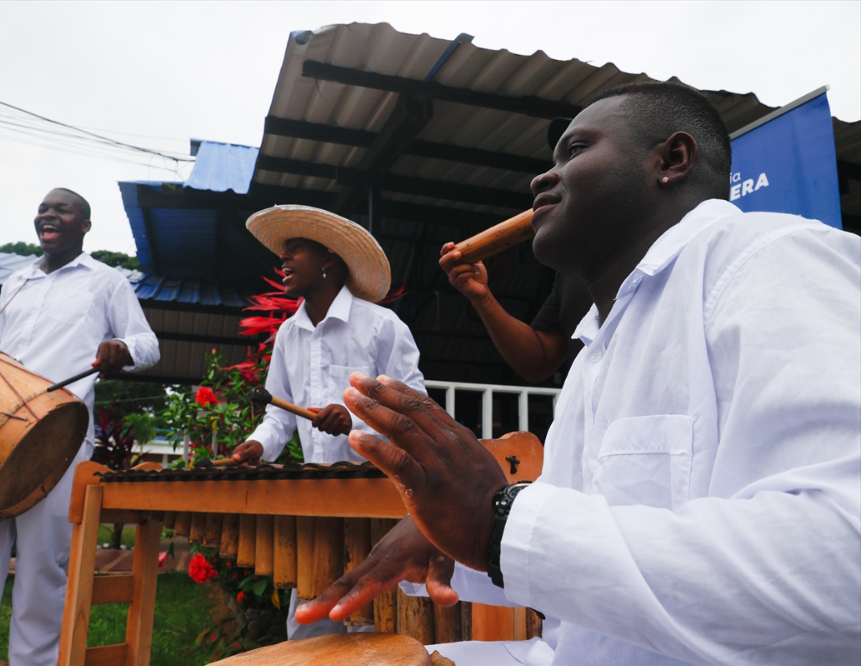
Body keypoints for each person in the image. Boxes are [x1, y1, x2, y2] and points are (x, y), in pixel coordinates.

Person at [294, 82, 861, 666]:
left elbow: (844, 570)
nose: (543, 177)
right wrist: (466, 550)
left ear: (671, 160)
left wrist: (503, 523)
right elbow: (585, 590)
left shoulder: (772, 259)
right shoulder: (593, 350)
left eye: (576, 150)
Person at [0, 188, 160, 666]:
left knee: (44, 567)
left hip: (58, 438)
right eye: (43, 208)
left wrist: (123, 348)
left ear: (85, 226)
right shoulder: (16, 279)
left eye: (63, 209)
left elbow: (148, 344)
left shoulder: (106, 282)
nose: (48, 214)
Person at [231, 204, 426, 640]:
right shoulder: (288, 334)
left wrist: (360, 417)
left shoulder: (381, 326)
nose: (282, 260)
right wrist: (258, 445)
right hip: (317, 499)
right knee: (310, 629)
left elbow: (415, 410)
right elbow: (279, 414)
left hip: (378, 496)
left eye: (294, 249)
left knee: (380, 625)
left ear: (329, 260)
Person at [439, 124, 592, 384]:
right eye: (556, 160)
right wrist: (482, 296)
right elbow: (539, 360)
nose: (542, 178)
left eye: (576, 152)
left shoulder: (680, 255)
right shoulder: (573, 270)